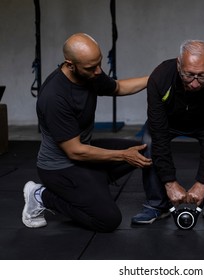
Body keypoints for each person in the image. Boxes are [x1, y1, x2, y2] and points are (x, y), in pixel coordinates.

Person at [22, 33, 152, 232]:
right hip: (60, 168)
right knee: (108, 220)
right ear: (70, 64)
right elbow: (74, 151)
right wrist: (123, 155)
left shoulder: (91, 73)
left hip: (84, 155)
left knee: (143, 148)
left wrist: (155, 78)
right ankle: (40, 195)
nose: (98, 71)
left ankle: (92, 185)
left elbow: (118, 87)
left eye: (99, 63)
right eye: (92, 67)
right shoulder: (54, 96)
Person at [132, 39, 204, 226]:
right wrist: (170, 183)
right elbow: (159, 132)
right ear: (179, 64)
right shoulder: (160, 78)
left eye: (202, 76)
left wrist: (202, 183)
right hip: (168, 123)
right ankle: (157, 204)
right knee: (149, 139)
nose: (195, 83)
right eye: (189, 75)